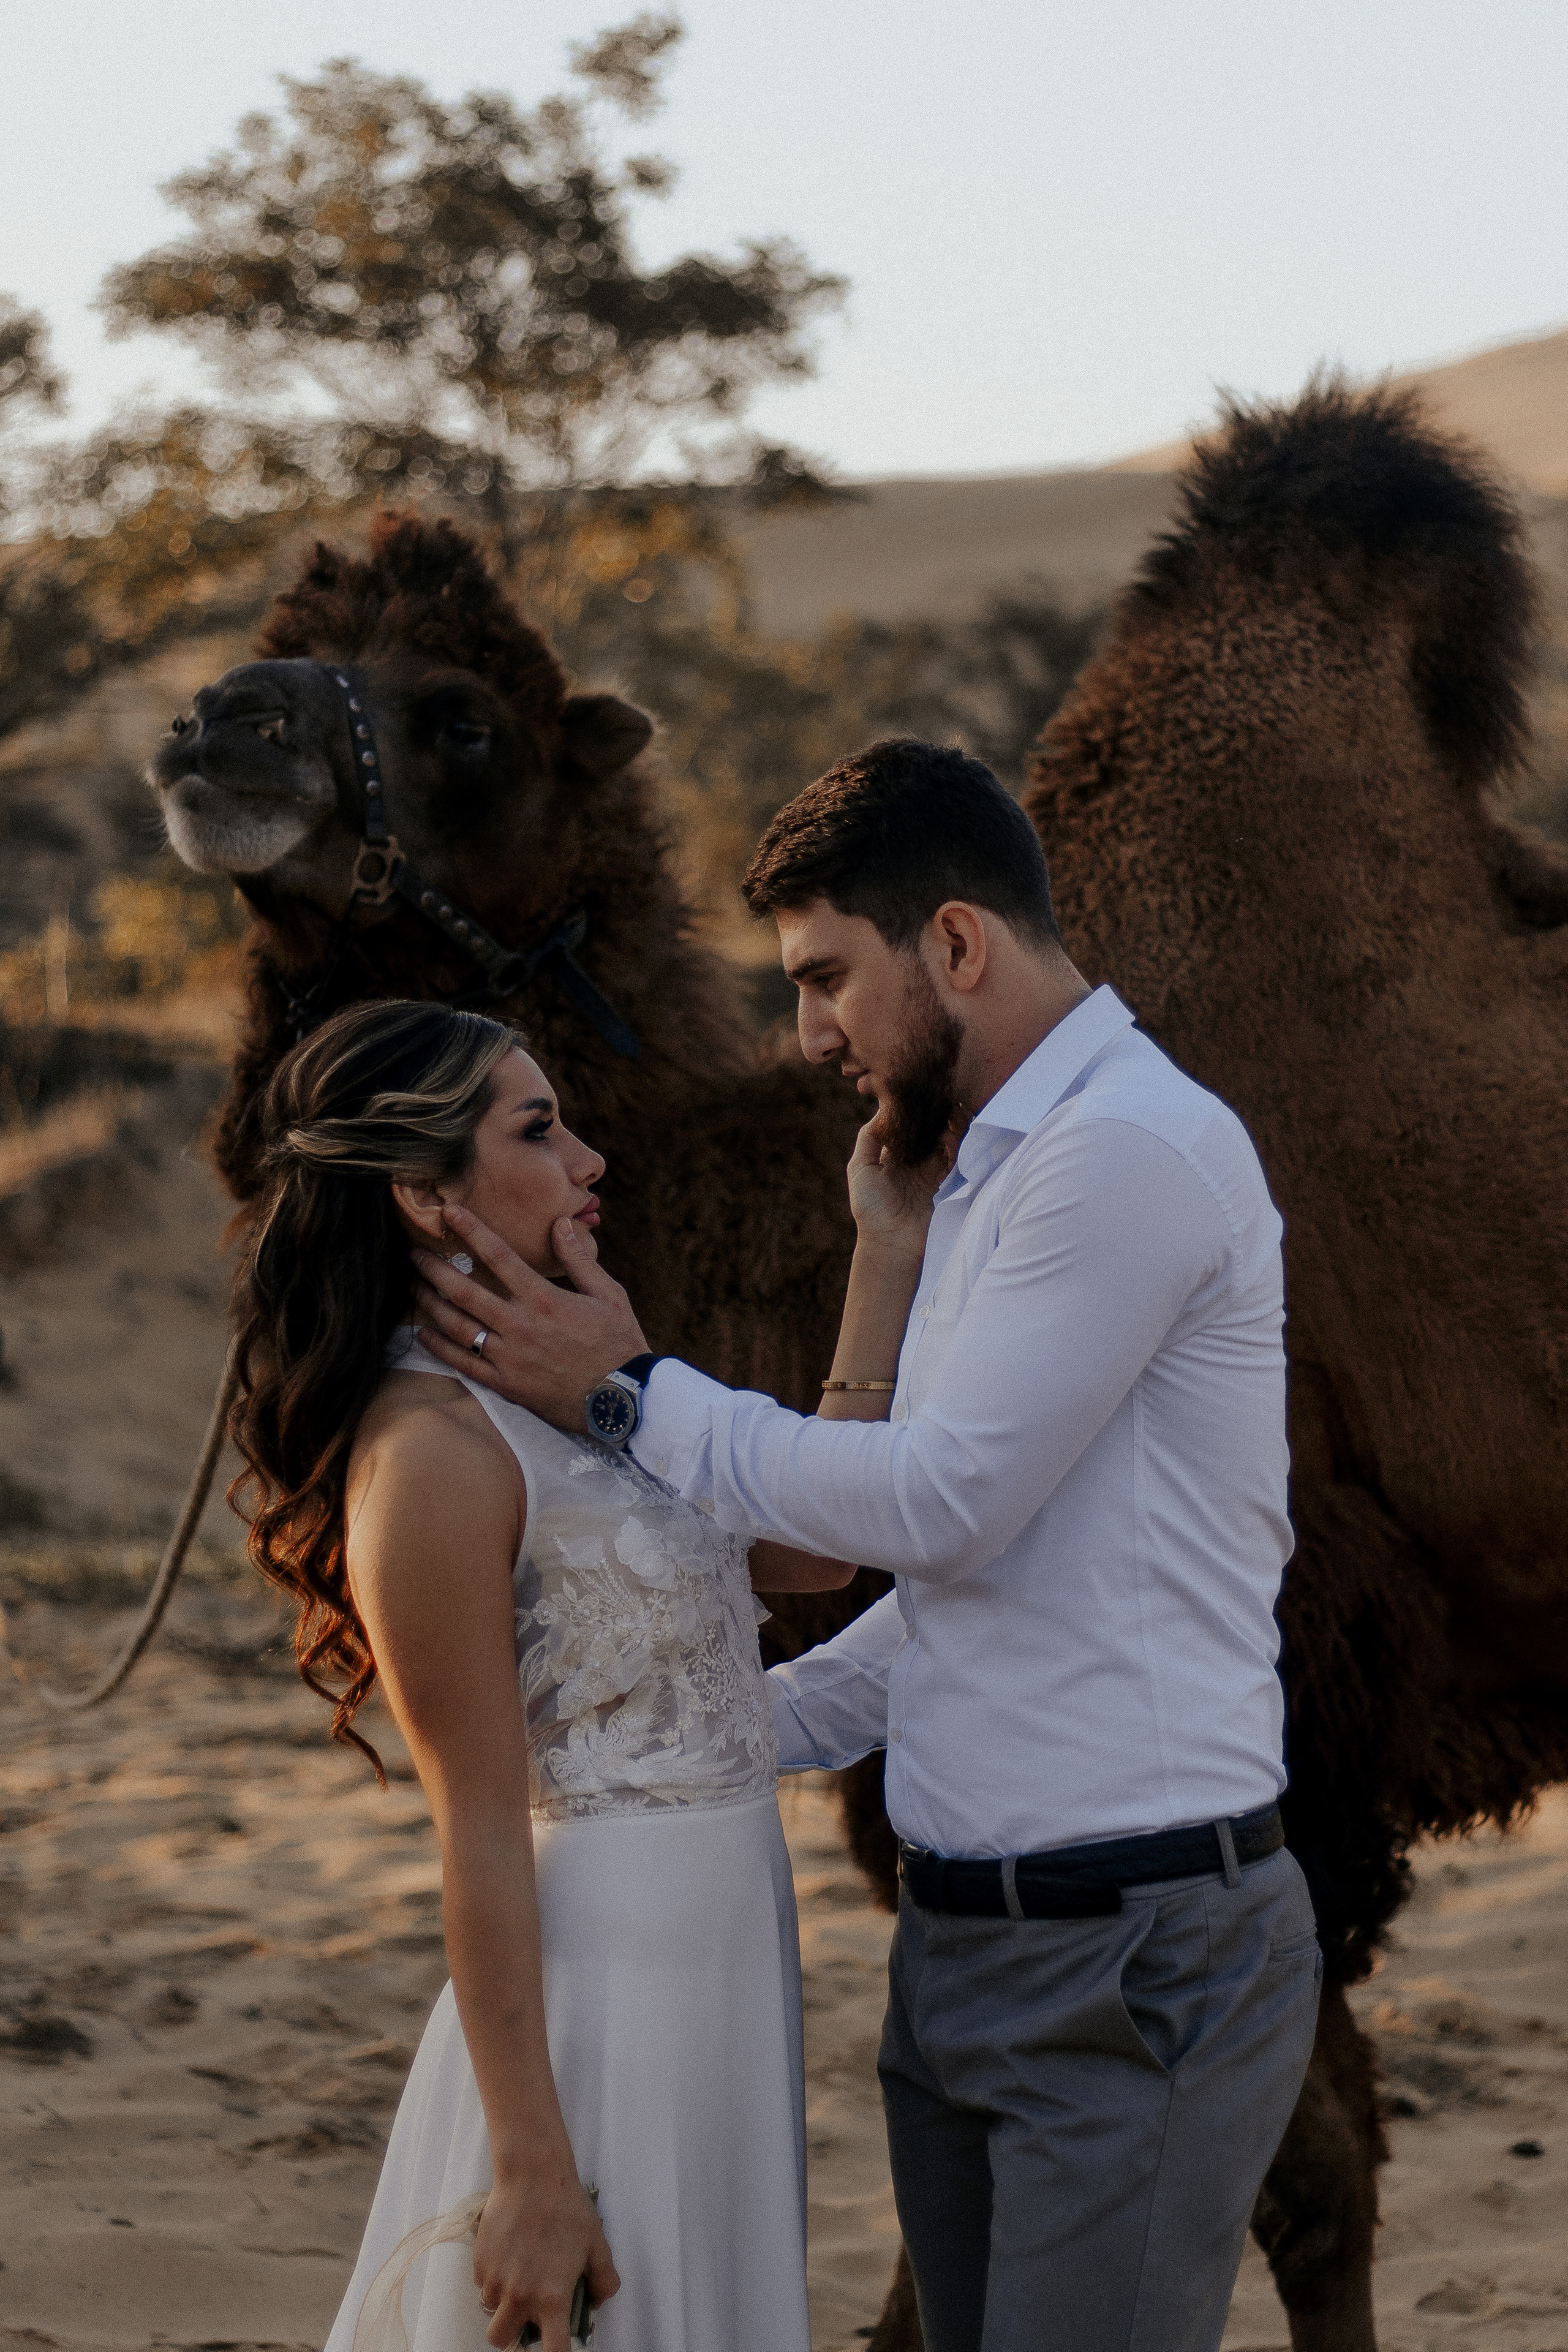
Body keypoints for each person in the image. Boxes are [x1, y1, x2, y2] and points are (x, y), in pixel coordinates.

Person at [412, 739, 1325, 2352]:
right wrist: (693, 1744)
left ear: (955, 943)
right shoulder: (979, 1176)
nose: (810, 1034)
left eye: (827, 978)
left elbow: (936, 1506)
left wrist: (628, 1394)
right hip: (967, 1952)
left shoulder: (1121, 1154)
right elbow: (978, 1591)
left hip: (1132, 1955)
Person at [227, 998, 858, 2352]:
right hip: (601, 1989)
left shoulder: (580, 1392)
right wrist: (528, 2170)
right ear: (422, 1193)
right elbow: (477, 1825)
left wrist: (880, 1260)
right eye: (537, 1129)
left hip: (727, 1961)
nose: (587, 1159)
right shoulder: (432, 1455)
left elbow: (819, 1548)